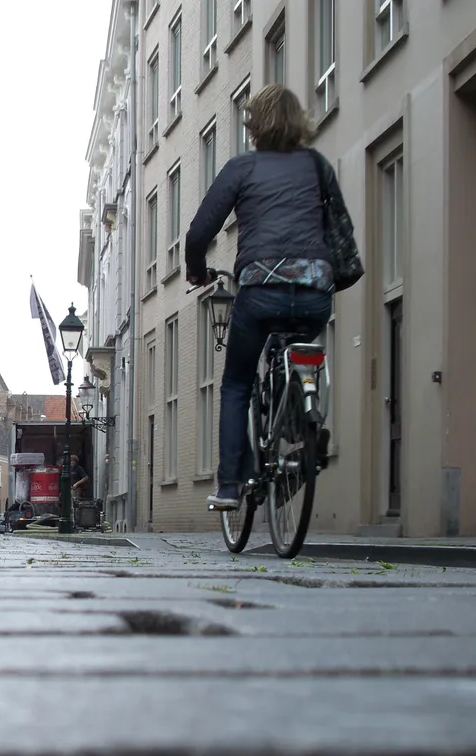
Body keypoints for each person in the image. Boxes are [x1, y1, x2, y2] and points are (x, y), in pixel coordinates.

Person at [184, 84, 353, 511]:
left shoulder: (242, 168)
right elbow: (341, 227)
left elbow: (199, 231)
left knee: (237, 382)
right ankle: (301, 429)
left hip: (260, 293)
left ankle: (228, 486)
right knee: (298, 347)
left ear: (253, 126)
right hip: (314, 293)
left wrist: (198, 271)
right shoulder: (317, 166)